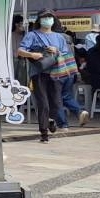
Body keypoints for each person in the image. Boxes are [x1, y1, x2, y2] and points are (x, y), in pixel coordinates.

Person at [17, 9, 70, 142]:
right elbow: (20, 51)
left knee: (56, 103)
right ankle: (44, 132)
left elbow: (66, 54)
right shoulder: (32, 35)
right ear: (39, 20)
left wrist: (56, 50)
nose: (48, 20)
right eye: (45, 17)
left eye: (50, 17)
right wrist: (32, 54)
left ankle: (51, 119)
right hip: (39, 73)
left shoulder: (59, 37)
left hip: (56, 73)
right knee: (43, 103)